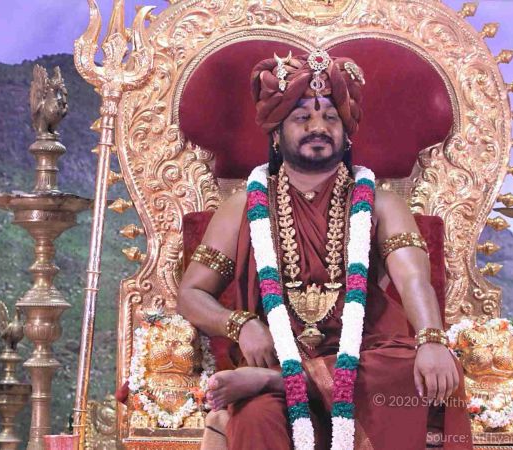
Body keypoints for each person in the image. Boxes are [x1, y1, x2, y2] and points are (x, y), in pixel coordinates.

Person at [178, 49, 472, 449]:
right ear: (276, 133)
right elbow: (191, 293)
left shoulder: (380, 203)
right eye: (302, 118)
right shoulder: (243, 207)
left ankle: (278, 382)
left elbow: (413, 279)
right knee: (256, 419)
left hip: (364, 358)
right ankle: (281, 379)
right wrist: (241, 325)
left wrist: (432, 339)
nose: (318, 126)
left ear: (346, 133)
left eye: (331, 118)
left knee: (419, 365)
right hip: (279, 351)